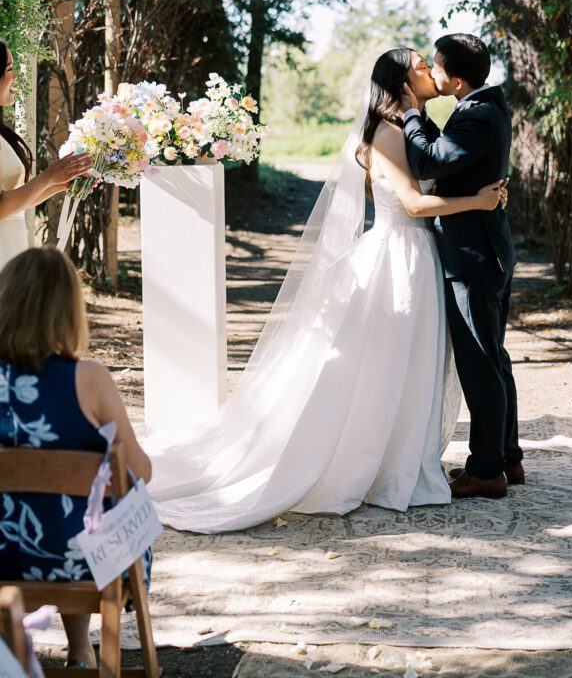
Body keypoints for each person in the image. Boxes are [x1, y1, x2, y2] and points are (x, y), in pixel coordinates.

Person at [145, 47, 506, 532]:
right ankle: (377, 464)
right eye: (421, 66)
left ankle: (397, 459)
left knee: (408, 363)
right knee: (390, 362)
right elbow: (416, 205)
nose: (428, 72)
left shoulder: (404, 130)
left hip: (414, 258)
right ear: (402, 83)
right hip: (400, 257)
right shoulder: (389, 132)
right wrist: (478, 202)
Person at [0, 247, 152, 670]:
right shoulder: (89, 380)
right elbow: (141, 471)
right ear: (68, 311)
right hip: (78, 558)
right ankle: (82, 651)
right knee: (93, 515)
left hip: (1, 551)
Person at [400, 33, 522, 499]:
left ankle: (487, 469)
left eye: (435, 66)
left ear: (456, 77)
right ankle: (508, 458)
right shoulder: (481, 107)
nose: (430, 73)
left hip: (472, 256)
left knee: (480, 364)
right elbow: (450, 154)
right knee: (494, 358)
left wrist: (411, 116)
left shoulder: (480, 114)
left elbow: (431, 161)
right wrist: (425, 117)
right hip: (485, 251)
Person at [0, 39, 91, 269]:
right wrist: (49, 176)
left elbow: (14, 201)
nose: (15, 77)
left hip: (11, 244)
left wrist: (62, 183)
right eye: (9, 69)